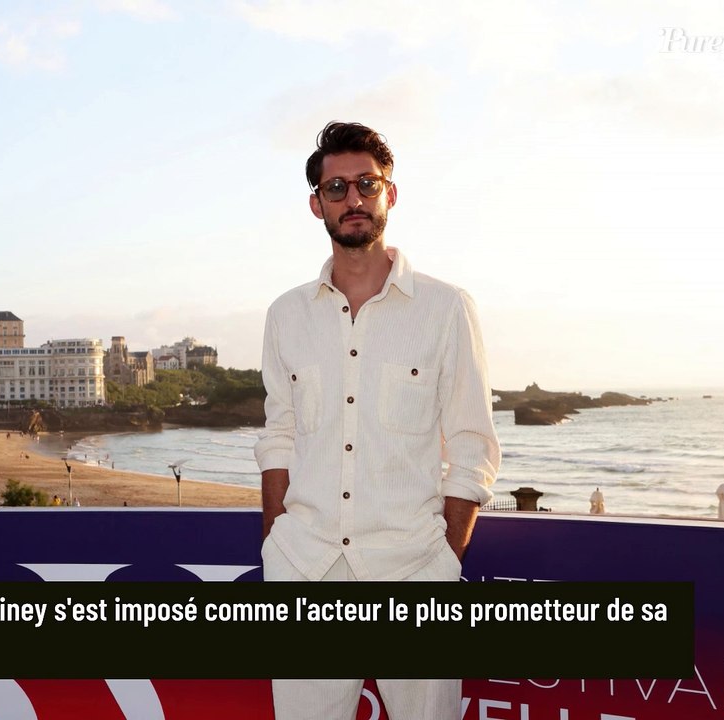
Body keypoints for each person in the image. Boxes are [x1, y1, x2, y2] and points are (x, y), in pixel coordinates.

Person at [256, 121, 501, 720]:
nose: (353, 199)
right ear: (316, 204)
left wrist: (445, 557)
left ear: (391, 193)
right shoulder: (286, 315)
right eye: (336, 188)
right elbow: (279, 435)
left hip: (415, 570)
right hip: (306, 570)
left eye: (367, 183)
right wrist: (275, 544)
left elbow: (472, 442)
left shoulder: (446, 309)